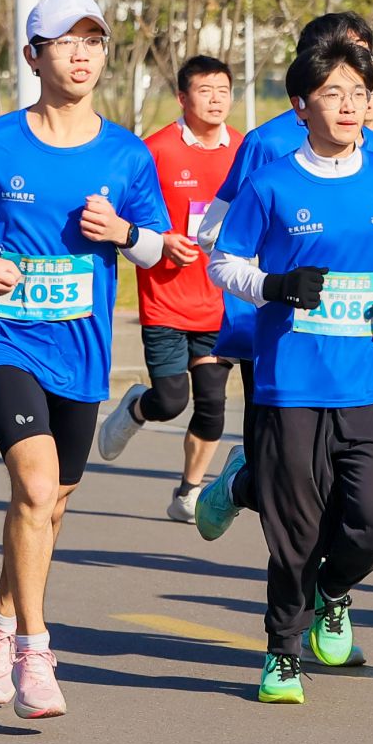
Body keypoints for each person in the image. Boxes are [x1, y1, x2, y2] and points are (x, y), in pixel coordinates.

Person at [0, 0, 169, 720]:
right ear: (34, 56)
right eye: (66, 42)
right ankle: (34, 651)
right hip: (1, 335)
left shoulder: (126, 153)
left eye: (93, 40)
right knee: (34, 488)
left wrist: (123, 233)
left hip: (80, 346)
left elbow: (156, 249)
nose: (82, 54)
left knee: (52, 504)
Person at [196, 34, 373, 704]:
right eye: (332, 93)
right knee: (296, 530)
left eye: (358, 92)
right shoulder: (271, 183)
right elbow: (223, 261)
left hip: (371, 379)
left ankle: (332, 589)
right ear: (301, 105)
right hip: (291, 382)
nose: (348, 105)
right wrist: (274, 287)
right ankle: (283, 653)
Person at [196, 13, 373, 407]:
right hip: (280, 337)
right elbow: (214, 234)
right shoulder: (266, 143)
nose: (353, 76)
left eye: (364, 62)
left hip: (363, 349)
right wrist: (275, 284)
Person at [97, 55, 245, 521]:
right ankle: (138, 408)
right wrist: (162, 241)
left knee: (213, 403)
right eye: (205, 90)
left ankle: (188, 493)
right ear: (182, 97)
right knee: (171, 399)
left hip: (220, 301)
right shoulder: (154, 151)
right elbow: (122, 219)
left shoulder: (245, 150)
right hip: (166, 298)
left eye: (223, 90)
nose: (216, 99)